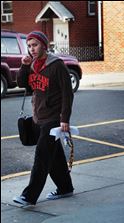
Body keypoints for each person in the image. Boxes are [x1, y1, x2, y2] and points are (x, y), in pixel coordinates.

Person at [13, 30, 74, 206]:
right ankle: (65, 188)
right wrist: (24, 66)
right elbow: (23, 84)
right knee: (54, 157)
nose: (32, 49)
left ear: (44, 45)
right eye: (29, 46)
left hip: (53, 119)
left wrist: (65, 118)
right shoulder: (33, 64)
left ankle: (29, 196)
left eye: (35, 45)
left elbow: (67, 94)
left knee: (42, 156)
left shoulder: (57, 65)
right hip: (38, 117)